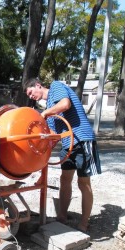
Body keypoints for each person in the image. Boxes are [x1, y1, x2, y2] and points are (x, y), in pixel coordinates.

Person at [23, 78, 101, 234]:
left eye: (31, 92)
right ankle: (62, 217)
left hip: (82, 139)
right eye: (29, 95)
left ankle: (84, 224)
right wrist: (37, 154)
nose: (31, 96)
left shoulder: (56, 87)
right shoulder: (50, 107)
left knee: (83, 183)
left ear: (38, 85)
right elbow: (53, 136)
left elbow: (65, 104)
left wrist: (44, 114)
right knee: (65, 179)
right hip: (68, 144)